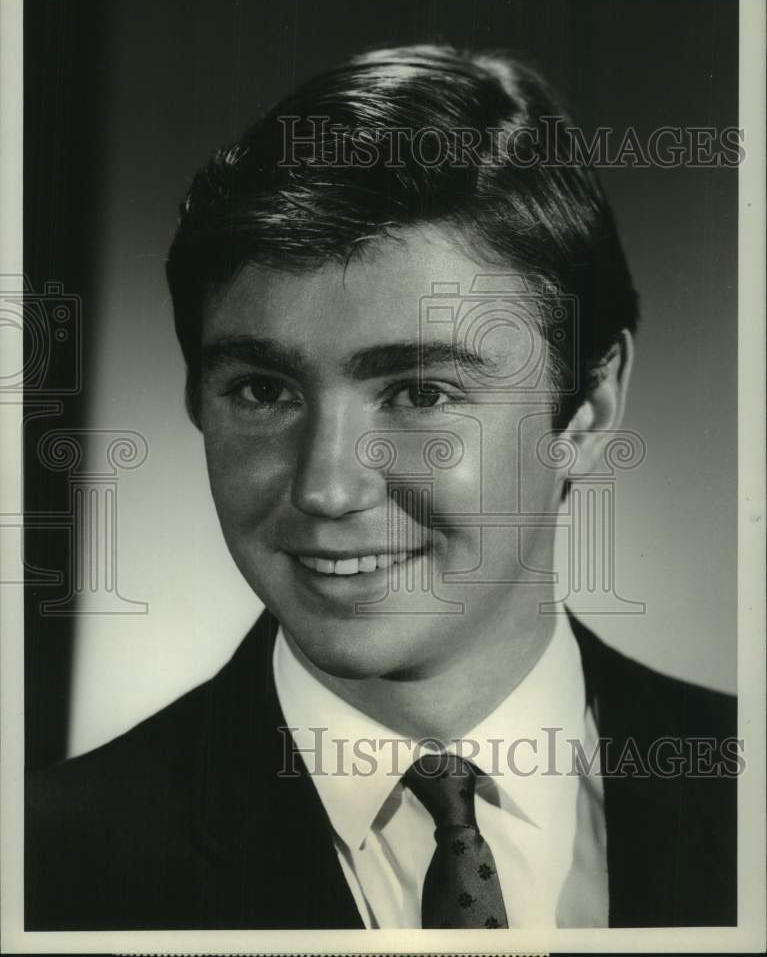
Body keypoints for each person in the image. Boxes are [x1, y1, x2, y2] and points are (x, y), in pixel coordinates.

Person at [26, 45, 737, 931]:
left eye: (420, 393)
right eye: (262, 391)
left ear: (587, 406)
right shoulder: (43, 872)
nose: (325, 488)